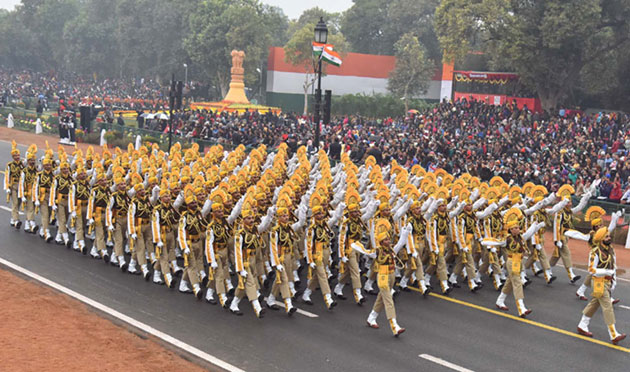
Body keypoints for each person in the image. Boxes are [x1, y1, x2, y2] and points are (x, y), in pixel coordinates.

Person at [577, 227, 626, 345]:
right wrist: (606, 273)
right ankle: (613, 334)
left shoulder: (610, 249)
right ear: (600, 239)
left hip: (607, 282)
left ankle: (582, 324)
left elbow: (613, 265)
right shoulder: (595, 252)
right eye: (606, 236)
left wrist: (613, 279)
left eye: (609, 236)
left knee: (594, 303)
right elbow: (591, 270)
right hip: (598, 282)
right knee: (607, 305)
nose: (609, 238)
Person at [493, 207, 545, 318]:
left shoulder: (520, 237)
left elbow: (529, 233)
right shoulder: (507, 239)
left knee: (509, 283)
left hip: (519, 261)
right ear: (510, 229)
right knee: (517, 283)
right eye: (515, 228)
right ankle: (521, 307)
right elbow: (498, 242)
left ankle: (500, 300)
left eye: (518, 227)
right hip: (511, 262)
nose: (517, 229)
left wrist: (536, 226)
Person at [365, 218, 411, 336]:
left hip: (391, 276)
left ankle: (371, 317)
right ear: (381, 242)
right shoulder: (378, 251)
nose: (388, 241)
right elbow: (367, 251)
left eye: (388, 239)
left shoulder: (391, 250)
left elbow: (400, 243)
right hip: (383, 278)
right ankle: (394, 325)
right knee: (388, 300)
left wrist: (405, 233)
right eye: (385, 240)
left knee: (381, 298)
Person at [5, 141, 24, 228]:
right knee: (15, 203)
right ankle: (16, 220)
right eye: (15, 156)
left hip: (21, 186)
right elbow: (7, 176)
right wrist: (7, 187)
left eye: (18, 155)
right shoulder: (10, 165)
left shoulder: (22, 164)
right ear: (13, 157)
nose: (17, 157)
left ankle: (13, 218)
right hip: (13, 185)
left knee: (19, 202)